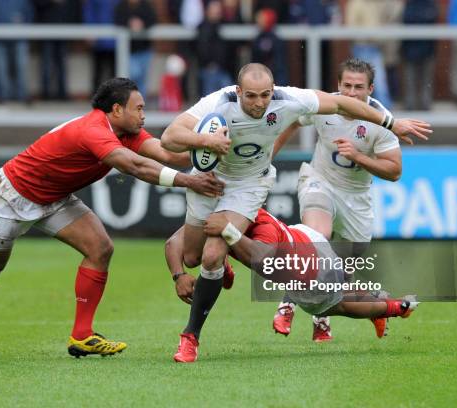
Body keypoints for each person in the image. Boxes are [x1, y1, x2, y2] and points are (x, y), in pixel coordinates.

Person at [0, 78, 225, 360]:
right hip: (11, 197)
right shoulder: (93, 129)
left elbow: (166, 154)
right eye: (138, 108)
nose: (143, 115)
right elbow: (134, 165)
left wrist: (209, 146)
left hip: (55, 197)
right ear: (116, 110)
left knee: (100, 249)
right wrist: (190, 182)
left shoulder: (127, 132)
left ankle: (82, 336)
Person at [160, 62, 430, 362]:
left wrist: (392, 123)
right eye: (250, 96)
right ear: (238, 92)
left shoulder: (289, 99)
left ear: (273, 90)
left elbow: (341, 104)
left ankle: (190, 337)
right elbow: (169, 137)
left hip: (249, 185)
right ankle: (230, 263)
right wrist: (206, 140)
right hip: (207, 179)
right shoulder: (219, 102)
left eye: (265, 95)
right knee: (194, 257)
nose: (259, 103)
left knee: (213, 254)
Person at [165, 209, 418, 362]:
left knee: (335, 305)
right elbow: (174, 243)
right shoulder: (230, 214)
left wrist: (228, 240)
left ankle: (394, 307)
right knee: (341, 289)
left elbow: (262, 261)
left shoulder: (260, 226)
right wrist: (179, 275)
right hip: (304, 237)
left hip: (309, 267)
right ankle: (380, 302)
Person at [271, 58, 404, 342]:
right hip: (320, 181)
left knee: (341, 275)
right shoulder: (324, 105)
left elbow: (394, 171)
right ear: (338, 85)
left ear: (371, 88)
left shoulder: (380, 120)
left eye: (359, 87)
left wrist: (359, 156)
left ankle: (361, 312)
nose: (352, 93)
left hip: (356, 198)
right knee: (317, 238)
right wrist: (266, 157)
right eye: (347, 86)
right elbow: (292, 121)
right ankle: (287, 305)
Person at [0, 0, 33, 103]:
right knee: (1, 69)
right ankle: (2, 96)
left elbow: (29, 15)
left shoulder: (23, 2)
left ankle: (21, 95)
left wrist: (23, 23)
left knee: (20, 67)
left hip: (19, 38)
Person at [33, 0, 81, 101]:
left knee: (62, 63)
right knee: (46, 63)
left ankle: (62, 93)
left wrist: (75, 27)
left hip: (64, 27)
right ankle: (46, 93)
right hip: (46, 28)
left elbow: (74, 7)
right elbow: (37, 4)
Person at [114, 0, 157, 98]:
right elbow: (117, 21)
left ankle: (141, 105)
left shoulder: (146, 5)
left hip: (144, 48)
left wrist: (142, 24)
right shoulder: (121, 6)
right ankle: (130, 101)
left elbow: (153, 20)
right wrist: (130, 24)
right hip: (129, 49)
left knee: (143, 79)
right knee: (133, 74)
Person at [401, 0, 439, 111]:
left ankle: (425, 104)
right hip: (410, 48)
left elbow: (432, 17)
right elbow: (407, 19)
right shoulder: (410, 4)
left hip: (427, 48)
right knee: (410, 79)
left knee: (426, 79)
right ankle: (410, 104)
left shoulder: (430, 4)